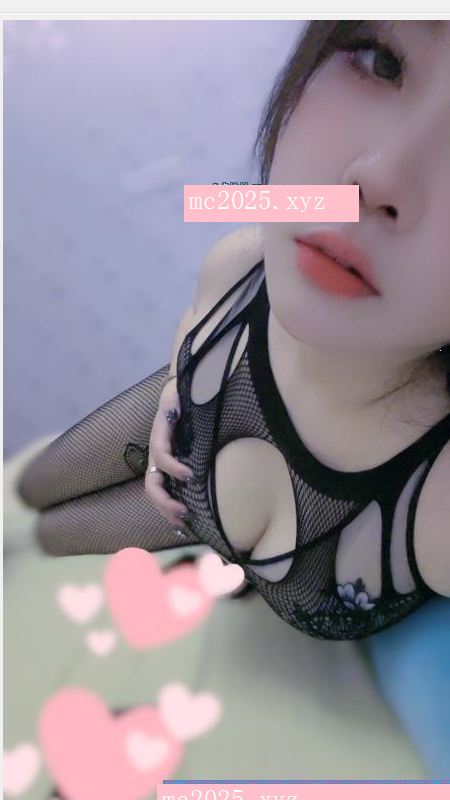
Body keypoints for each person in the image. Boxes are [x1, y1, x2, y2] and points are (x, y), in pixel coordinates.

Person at [16, 20, 450, 777]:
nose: (376, 177)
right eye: (380, 59)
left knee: (50, 540)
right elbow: (194, 330)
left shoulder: (439, 504)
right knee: (31, 499)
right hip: (192, 456)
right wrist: (173, 404)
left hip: (207, 530)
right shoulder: (239, 259)